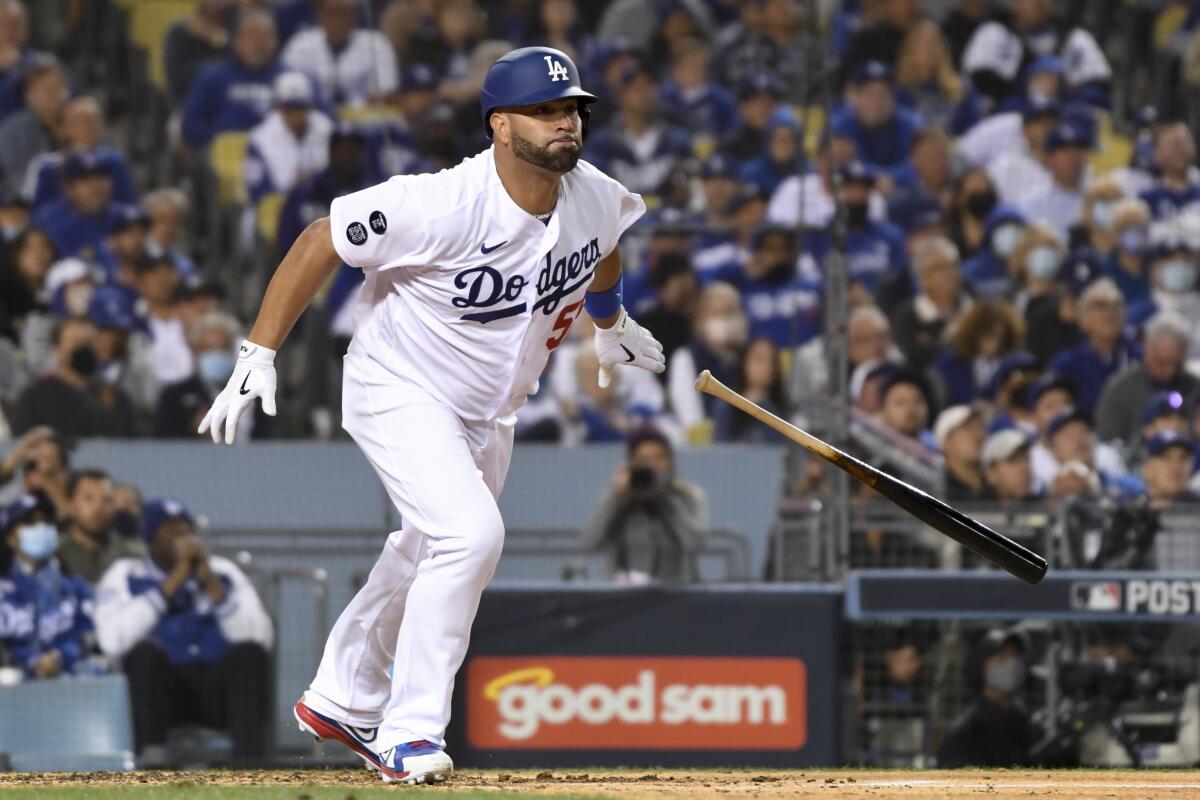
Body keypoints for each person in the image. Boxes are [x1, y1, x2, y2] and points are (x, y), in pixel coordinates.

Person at [196, 47, 666, 784]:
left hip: (491, 410)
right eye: (545, 112)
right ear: (500, 127)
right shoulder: (442, 202)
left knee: (426, 549)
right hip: (401, 386)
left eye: (572, 108)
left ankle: (341, 697)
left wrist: (607, 321)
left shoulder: (595, 195)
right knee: (471, 536)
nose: (566, 122)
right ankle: (408, 734)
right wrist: (259, 351)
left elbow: (605, 247)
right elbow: (323, 237)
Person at [94, 498, 273, 766]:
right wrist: (172, 583)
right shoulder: (126, 574)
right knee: (144, 655)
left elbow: (259, 637)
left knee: (249, 654)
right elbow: (112, 641)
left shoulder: (222, 571)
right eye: (171, 531)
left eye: (186, 530)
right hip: (164, 695)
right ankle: (152, 763)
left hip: (214, 690)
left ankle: (250, 765)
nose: (182, 538)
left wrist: (211, 583)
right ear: (151, 539)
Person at [580, 426, 709, 583]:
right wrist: (615, 498)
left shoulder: (687, 496)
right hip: (625, 600)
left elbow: (695, 542)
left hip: (677, 596)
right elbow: (589, 544)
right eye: (643, 460)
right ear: (631, 463)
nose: (651, 466)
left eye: (658, 458)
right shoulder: (620, 497)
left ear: (670, 462)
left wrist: (662, 498)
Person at [0, 490, 95, 681]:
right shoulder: (3, 592)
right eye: (30, 523)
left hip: (72, 686)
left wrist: (61, 656)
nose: (41, 528)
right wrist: (32, 661)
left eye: (47, 522)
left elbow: (90, 638)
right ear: (11, 537)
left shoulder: (77, 589)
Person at [11, 316, 137, 437]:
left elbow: (131, 445)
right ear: (57, 349)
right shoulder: (35, 398)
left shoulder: (115, 398)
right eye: (76, 343)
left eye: (89, 343)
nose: (84, 349)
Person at [937, 628, 1040, 767]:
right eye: (1002, 657)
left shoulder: (1027, 725)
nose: (1012, 663)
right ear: (983, 665)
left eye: (1015, 656)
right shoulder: (964, 735)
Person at [181, 8, 282, 150]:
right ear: (237, 39)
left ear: (276, 40)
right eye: (252, 35)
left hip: (278, 157)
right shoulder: (212, 77)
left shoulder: (292, 79)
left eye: (266, 36)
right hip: (222, 156)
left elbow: (320, 123)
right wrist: (224, 139)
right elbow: (190, 126)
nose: (259, 44)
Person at [1095, 312, 1200, 443]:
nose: (1171, 370)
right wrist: (1145, 437)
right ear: (1146, 351)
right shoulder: (1120, 389)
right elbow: (1107, 443)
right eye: (1162, 362)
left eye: (1177, 364)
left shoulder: (1195, 388)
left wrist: (1187, 432)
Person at [280, 0, 397, 107]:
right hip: (314, 120)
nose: (339, 21)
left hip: (364, 119)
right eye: (332, 14)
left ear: (355, 17)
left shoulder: (376, 43)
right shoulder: (300, 44)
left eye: (345, 14)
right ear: (319, 17)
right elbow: (289, 89)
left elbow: (387, 91)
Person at [1046, 279, 1137, 415]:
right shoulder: (1066, 365)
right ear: (1083, 318)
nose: (1110, 312)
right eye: (1100, 306)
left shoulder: (1140, 360)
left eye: (1116, 305)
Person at [244, 71, 333, 204]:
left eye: (299, 107)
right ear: (279, 106)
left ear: (309, 105)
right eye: (289, 108)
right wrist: (291, 189)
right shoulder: (260, 138)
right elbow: (255, 188)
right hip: (277, 209)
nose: (295, 113)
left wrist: (314, 182)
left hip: (321, 202)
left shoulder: (327, 129)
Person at [830, 60, 924, 187]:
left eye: (884, 94)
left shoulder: (911, 123)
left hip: (904, 193)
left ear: (893, 97)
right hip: (858, 195)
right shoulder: (840, 125)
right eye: (869, 94)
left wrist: (890, 179)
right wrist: (876, 179)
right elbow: (843, 166)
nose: (877, 102)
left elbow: (920, 165)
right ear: (855, 96)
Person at [892, 236, 970, 371]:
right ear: (921, 279)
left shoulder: (977, 306)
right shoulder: (907, 317)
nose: (949, 273)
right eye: (939, 268)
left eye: (954, 265)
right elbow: (917, 359)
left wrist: (936, 343)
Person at [56, 468, 143, 584]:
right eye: (88, 499)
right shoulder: (56, 556)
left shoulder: (131, 555)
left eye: (106, 500)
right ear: (71, 505)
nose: (98, 508)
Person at [0, 54, 67, 196]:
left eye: (60, 87)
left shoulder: (81, 120)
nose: (56, 95)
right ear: (30, 94)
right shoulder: (12, 131)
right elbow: (19, 183)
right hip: (29, 206)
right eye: (48, 89)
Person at [1017, 120, 1094, 239]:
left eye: (1078, 148)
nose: (1073, 156)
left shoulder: (1095, 199)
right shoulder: (1031, 203)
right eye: (1064, 150)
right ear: (1048, 158)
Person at [714, 337, 787, 444]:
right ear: (744, 362)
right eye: (759, 359)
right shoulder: (726, 404)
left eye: (771, 360)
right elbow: (719, 450)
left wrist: (763, 405)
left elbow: (784, 448)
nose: (766, 366)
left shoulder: (783, 406)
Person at [1138, 122, 1200, 220]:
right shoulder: (1147, 199)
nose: (1180, 152)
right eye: (1173, 146)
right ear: (1157, 154)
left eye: (1184, 144)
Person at [936, 404, 987, 500]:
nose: (978, 435)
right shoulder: (937, 493)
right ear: (945, 442)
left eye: (980, 427)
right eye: (967, 428)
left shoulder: (998, 488)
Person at [1140, 431, 1199, 507]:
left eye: (1183, 458)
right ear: (1146, 468)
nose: (1176, 465)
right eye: (1166, 457)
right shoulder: (1127, 510)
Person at [981, 427, 1038, 503]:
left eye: (1026, 459)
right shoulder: (972, 509)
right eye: (1013, 460)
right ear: (991, 473)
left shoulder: (1044, 508)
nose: (1024, 467)